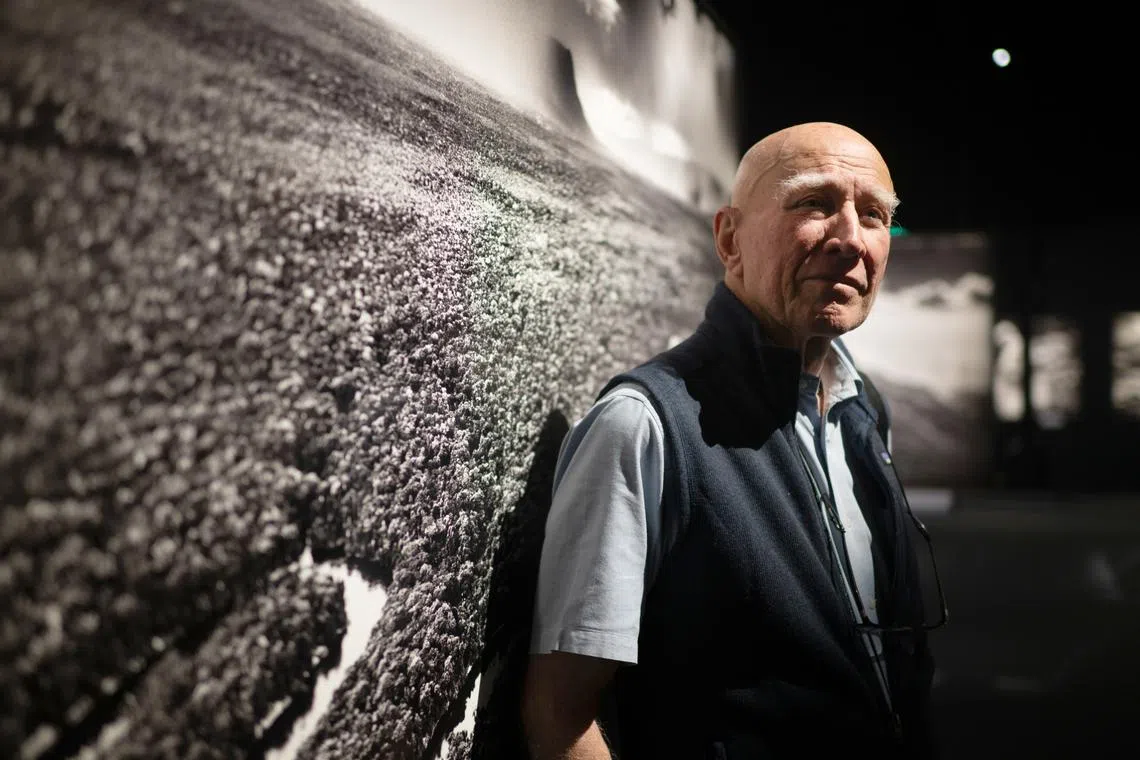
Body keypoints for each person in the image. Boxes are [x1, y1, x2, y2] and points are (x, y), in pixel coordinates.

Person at [520, 122, 939, 759]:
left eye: (875, 215)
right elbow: (560, 714)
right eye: (814, 204)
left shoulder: (860, 407)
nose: (851, 238)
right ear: (729, 237)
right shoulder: (644, 427)